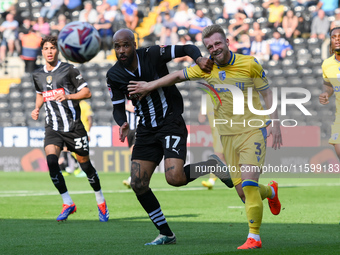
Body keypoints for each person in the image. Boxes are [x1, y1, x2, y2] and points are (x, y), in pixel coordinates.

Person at [128, 24, 283, 250]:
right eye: (209, 46)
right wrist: (149, 85)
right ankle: (270, 191)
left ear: (228, 42)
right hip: (228, 137)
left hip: (253, 130)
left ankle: (254, 237)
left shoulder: (249, 63)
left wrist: (275, 122)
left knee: (248, 185)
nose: (214, 49)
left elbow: (267, 92)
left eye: (218, 43)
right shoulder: (206, 68)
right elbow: (177, 76)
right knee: (243, 192)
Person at [106, 28, 233, 245]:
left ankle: (211, 165)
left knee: (175, 179)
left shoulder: (153, 54)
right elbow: (117, 107)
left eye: (125, 45)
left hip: (170, 121)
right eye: (117, 46)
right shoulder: (114, 75)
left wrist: (199, 57)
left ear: (134, 44)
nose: (121, 50)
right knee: (138, 183)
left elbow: (185, 48)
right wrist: (123, 123)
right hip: (145, 129)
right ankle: (166, 233)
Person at [31, 35, 109, 222]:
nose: (49, 51)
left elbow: (87, 92)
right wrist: (37, 108)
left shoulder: (69, 70)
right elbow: (41, 94)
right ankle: (68, 202)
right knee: (51, 162)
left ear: (58, 50)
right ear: (42, 51)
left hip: (73, 128)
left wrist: (68, 97)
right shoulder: (37, 75)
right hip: (53, 127)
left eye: (52, 48)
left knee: (86, 166)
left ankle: (101, 200)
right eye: (46, 48)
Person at [319, 27, 340, 160]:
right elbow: (328, 85)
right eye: (334, 37)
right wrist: (326, 93)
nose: (337, 39)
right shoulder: (327, 64)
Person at [199, 94, 227, 190]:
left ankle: (211, 181)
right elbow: (201, 116)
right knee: (226, 157)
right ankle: (241, 179)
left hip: (224, 130)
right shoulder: (206, 97)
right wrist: (202, 114)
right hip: (215, 132)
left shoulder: (224, 94)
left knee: (218, 155)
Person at [122, 99, 138, 188]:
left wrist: (126, 107)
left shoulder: (137, 98)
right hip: (129, 131)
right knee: (133, 154)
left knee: (134, 152)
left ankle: (132, 178)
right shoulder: (125, 99)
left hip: (137, 128)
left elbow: (134, 109)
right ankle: (135, 178)